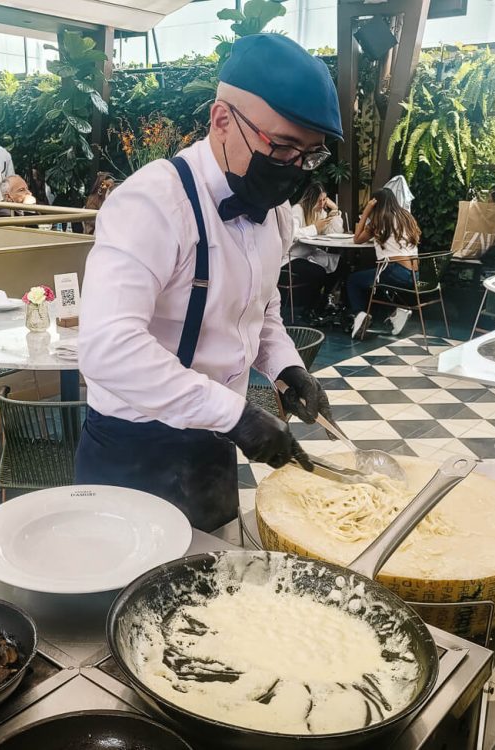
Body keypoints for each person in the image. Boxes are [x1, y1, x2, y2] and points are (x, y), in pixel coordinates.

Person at [76, 33, 341, 531]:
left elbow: (260, 314)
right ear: (222, 120)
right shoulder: (151, 203)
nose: (294, 169)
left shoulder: (279, 217)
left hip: (214, 444)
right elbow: (108, 347)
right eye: (282, 147)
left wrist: (287, 369)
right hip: (134, 447)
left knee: (211, 584)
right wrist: (234, 413)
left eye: (310, 155)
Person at [348, 188, 420, 338]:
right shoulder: (406, 217)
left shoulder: (380, 220)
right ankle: (398, 312)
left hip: (395, 270)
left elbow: (357, 239)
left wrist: (366, 212)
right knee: (375, 279)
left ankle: (360, 315)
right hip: (414, 274)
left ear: (376, 205)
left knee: (353, 280)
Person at [282, 181, 344, 314]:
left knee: (340, 264)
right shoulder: (297, 210)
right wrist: (315, 228)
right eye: (319, 200)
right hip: (291, 256)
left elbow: (335, 232)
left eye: (324, 200)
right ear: (311, 199)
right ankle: (310, 308)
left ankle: (324, 301)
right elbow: (294, 234)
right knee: (318, 272)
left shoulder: (320, 212)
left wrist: (335, 210)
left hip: (310, 253)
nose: (322, 204)